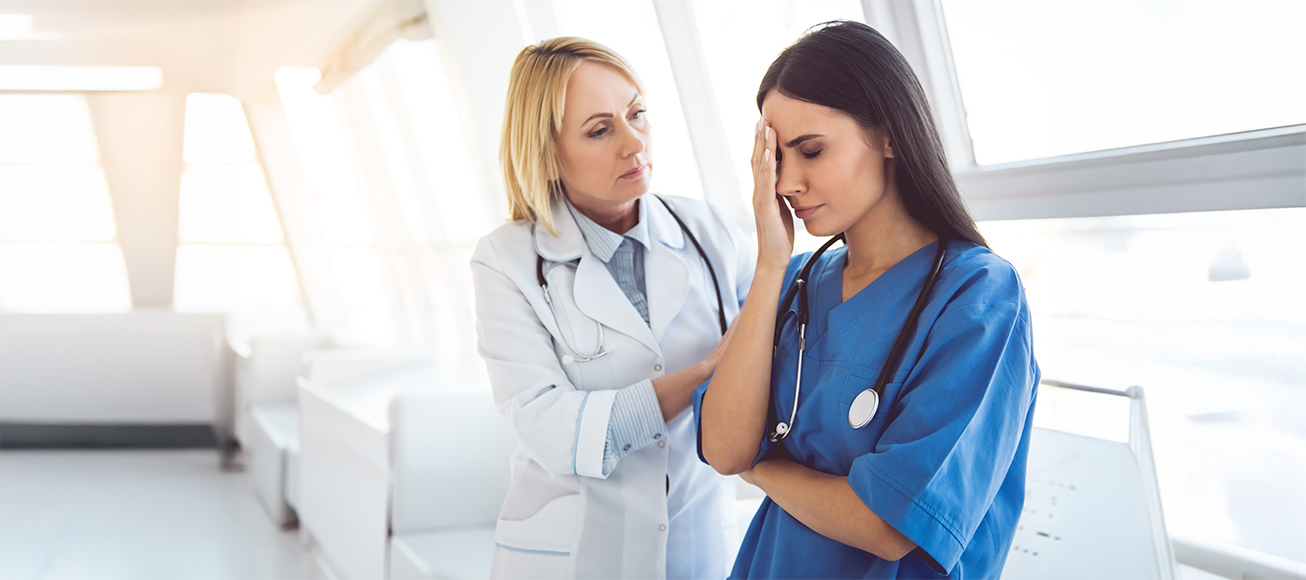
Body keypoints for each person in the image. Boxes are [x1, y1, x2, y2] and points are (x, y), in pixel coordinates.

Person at [694, 21, 1040, 579]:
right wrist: (769, 264)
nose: (786, 183)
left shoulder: (979, 296)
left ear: (889, 135)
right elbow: (724, 448)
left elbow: (889, 526)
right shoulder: (795, 282)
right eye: (776, 159)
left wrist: (764, 470)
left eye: (811, 151)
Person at [472, 37, 754, 579]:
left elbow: (777, 348)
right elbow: (549, 428)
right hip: (574, 556)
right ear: (547, 156)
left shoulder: (708, 230)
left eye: (637, 113)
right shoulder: (506, 262)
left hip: (698, 548)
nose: (634, 143)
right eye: (600, 130)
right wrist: (706, 375)